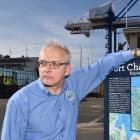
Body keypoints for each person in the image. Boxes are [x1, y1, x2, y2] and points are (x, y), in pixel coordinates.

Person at [1, 40, 140, 140]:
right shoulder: (20, 101)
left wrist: (133, 53)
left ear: (67, 69)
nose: (47, 69)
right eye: (43, 63)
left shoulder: (74, 83)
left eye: (55, 64)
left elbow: (101, 66)